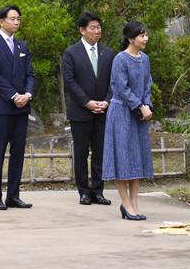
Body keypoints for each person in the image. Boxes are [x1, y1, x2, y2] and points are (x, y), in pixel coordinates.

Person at [0, 4, 35, 211]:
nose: (16, 22)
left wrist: (27, 95)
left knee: (18, 152)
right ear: (1, 21)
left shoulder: (22, 46)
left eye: (18, 19)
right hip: (3, 105)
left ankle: (14, 195)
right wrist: (13, 95)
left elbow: (30, 73)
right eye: (12, 18)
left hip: (22, 106)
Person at [102, 20, 153, 220]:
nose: (145, 38)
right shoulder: (120, 59)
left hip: (139, 113)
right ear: (131, 39)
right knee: (122, 158)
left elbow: (148, 83)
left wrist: (147, 104)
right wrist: (139, 105)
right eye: (142, 35)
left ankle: (135, 203)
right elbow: (120, 88)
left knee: (136, 157)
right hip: (122, 112)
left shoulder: (145, 59)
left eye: (146, 34)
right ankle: (125, 203)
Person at [62, 12, 112, 205]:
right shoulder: (71, 53)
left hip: (102, 111)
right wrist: (87, 102)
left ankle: (98, 190)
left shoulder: (108, 53)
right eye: (92, 27)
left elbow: (113, 82)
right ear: (82, 30)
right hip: (81, 112)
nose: (96, 31)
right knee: (81, 153)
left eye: (98, 27)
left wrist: (106, 101)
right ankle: (83, 191)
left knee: (100, 152)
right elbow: (70, 82)